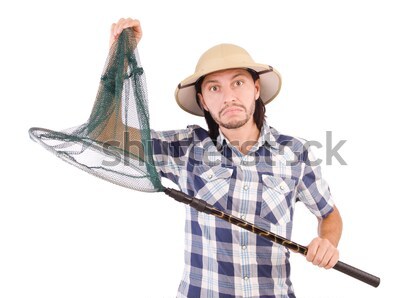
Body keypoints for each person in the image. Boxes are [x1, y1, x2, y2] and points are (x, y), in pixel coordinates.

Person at [111, 18, 343, 298]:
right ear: (203, 102)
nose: (228, 97)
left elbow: (329, 214)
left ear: (256, 89)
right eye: (214, 88)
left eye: (238, 83)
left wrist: (328, 242)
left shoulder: (295, 153)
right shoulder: (185, 150)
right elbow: (107, 132)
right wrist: (119, 58)